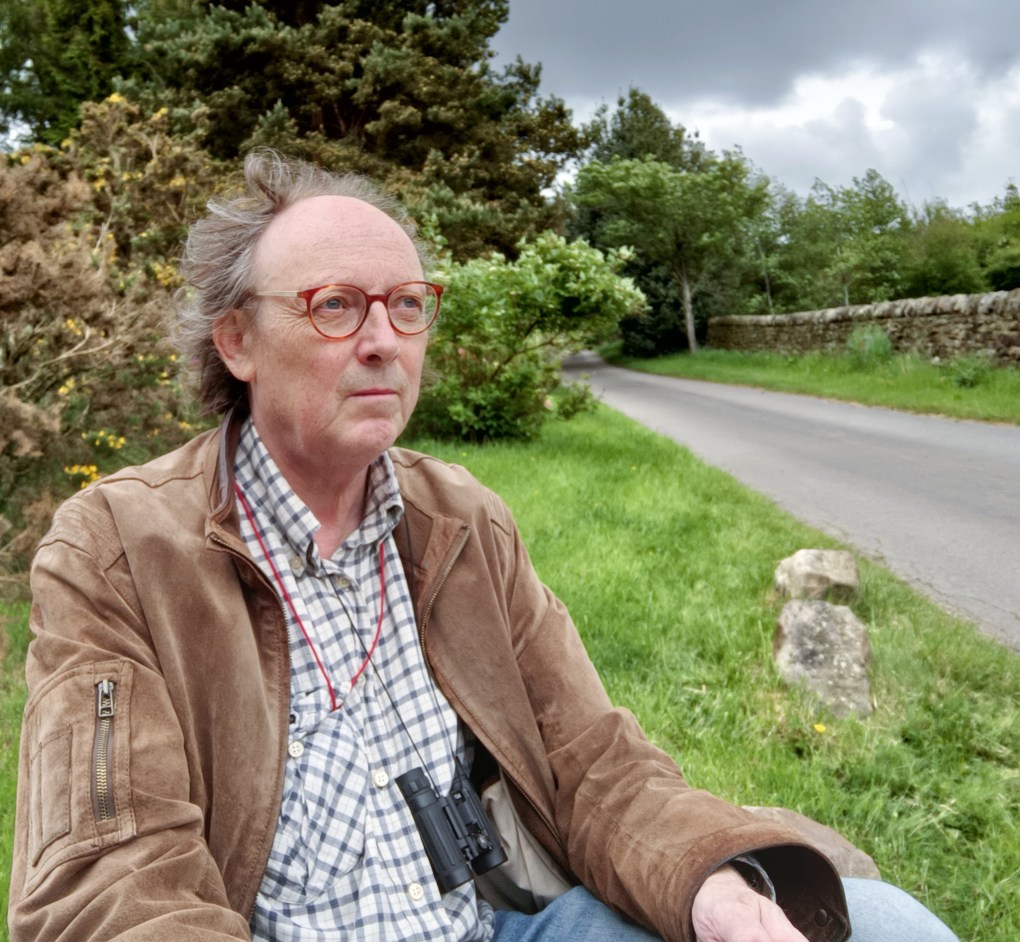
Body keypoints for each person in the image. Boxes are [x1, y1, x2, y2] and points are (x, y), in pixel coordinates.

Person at [9, 151, 959, 942]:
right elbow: (111, 875)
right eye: (337, 306)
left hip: (499, 926)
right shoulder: (117, 550)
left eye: (408, 305)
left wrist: (707, 888)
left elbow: (594, 760)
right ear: (237, 342)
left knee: (887, 926)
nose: (385, 340)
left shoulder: (461, 520)